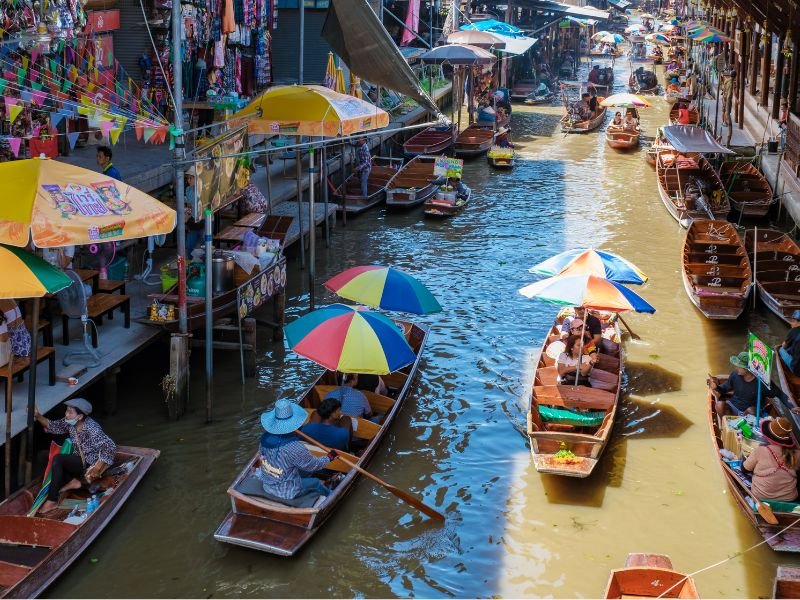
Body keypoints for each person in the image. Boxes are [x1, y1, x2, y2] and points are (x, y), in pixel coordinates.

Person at [33, 398, 117, 514]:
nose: (66, 414)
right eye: (66, 410)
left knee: (58, 459)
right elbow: (53, 426)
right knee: (42, 456)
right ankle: (72, 481)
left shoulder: (92, 429)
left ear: (80, 417)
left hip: (89, 463)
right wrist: (37, 415)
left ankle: (52, 500)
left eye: (70, 412)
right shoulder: (70, 422)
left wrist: (98, 466)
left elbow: (110, 446)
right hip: (78, 458)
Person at [257, 399, 337, 501]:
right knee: (316, 482)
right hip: (286, 492)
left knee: (305, 471)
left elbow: (262, 455)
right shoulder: (295, 447)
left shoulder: (265, 438)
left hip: (268, 484)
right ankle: (331, 495)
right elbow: (315, 465)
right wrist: (329, 457)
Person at [742, 417, 800, 502]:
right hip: (789, 500)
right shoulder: (797, 453)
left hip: (760, 498)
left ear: (769, 437)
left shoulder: (760, 451)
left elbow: (744, 469)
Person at [710, 352, 781, 416]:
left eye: (739, 366)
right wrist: (716, 387)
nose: (736, 368)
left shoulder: (761, 382)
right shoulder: (735, 374)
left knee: (751, 411)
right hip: (733, 406)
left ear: (748, 369)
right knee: (719, 405)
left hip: (750, 413)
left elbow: (777, 393)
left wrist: (788, 407)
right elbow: (724, 389)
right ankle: (729, 422)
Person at [184, 172, 204, 252]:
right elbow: (189, 205)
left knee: (205, 245)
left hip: (204, 220)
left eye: (191, 178)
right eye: (188, 178)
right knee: (189, 246)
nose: (188, 180)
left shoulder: (203, 189)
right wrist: (187, 215)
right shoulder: (188, 189)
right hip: (193, 221)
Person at [780, 310, 800, 375]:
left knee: (780, 349)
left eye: (793, 321)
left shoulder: (793, 331)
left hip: (796, 370)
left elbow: (783, 346)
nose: (791, 323)